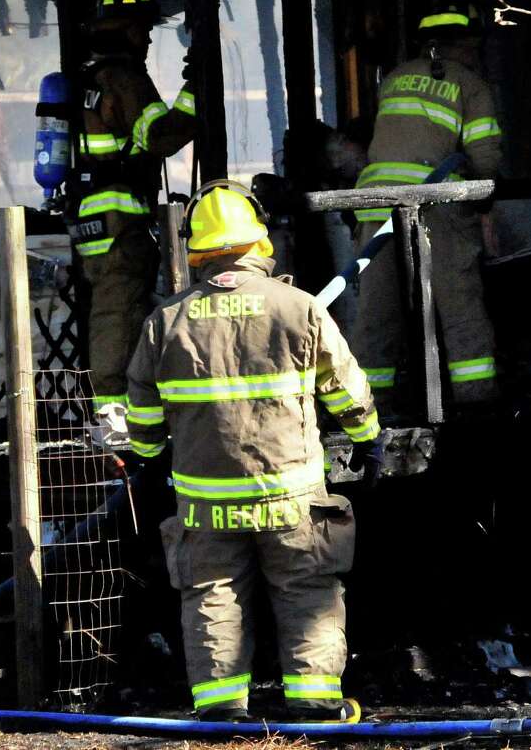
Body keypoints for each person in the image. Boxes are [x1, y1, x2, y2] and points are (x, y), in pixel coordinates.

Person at [126, 181, 379, 721]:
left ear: (196, 249)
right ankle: (314, 702)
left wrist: (148, 459)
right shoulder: (298, 308)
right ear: (259, 240)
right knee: (306, 589)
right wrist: (368, 438)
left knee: (211, 595)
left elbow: (143, 415)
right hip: (291, 493)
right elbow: (344, 385)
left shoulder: (165, 322)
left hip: (205, 500)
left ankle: (221, 710)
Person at [350, 0, 503, 416]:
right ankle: (477, 406)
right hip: (438, 206)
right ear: (466, 44)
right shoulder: (470, 85)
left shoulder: (395, 78)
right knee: (459, 307)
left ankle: (366, 410)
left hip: (375, 206)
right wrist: (486, 197)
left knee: (378, 312)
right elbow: (485, 156)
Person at [67, 0, 196, 414]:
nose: (147, 39)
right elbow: (161, 136)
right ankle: (116, 413)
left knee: (114, 307)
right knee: (120, 310)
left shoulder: (90, 76)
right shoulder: (123, 78)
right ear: (124, 29)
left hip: (95, 218)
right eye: (143, 29)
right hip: (120, 220)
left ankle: (122, 407)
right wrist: (196, 89)